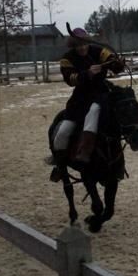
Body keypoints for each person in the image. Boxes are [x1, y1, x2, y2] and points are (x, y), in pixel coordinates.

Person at [50, 28, 125, 182]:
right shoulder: (67, 59)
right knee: (62, 134)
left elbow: (114, 65)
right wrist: (88, 73)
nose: (82, 48)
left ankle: (113, 162)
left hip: (101, 96)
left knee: (99, 113)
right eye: (78, 46)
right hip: (80, 100)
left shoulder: (99, 51)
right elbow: (70, 79)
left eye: (84, 44)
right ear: (73, 46)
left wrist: (118, 63)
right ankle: (60, 165)